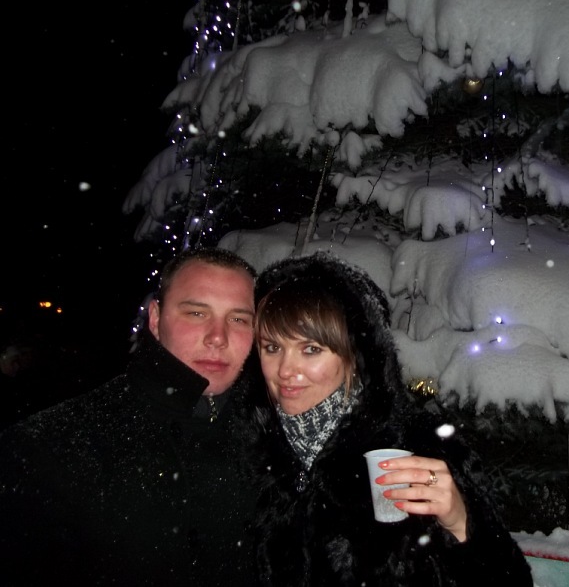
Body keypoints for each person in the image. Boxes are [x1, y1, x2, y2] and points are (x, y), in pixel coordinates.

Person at [246, 251, 533, 586]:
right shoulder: (253, 453)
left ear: (355, 357)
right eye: (272, 348)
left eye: (311, 349)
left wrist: (461, 523)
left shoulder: (419, 446)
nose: (285, 370)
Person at [0, 247, 262, 586]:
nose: (218, 338)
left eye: (238, 319)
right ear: (155, 319)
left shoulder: (271, 442)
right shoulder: (51, 447)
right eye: (196, 313)